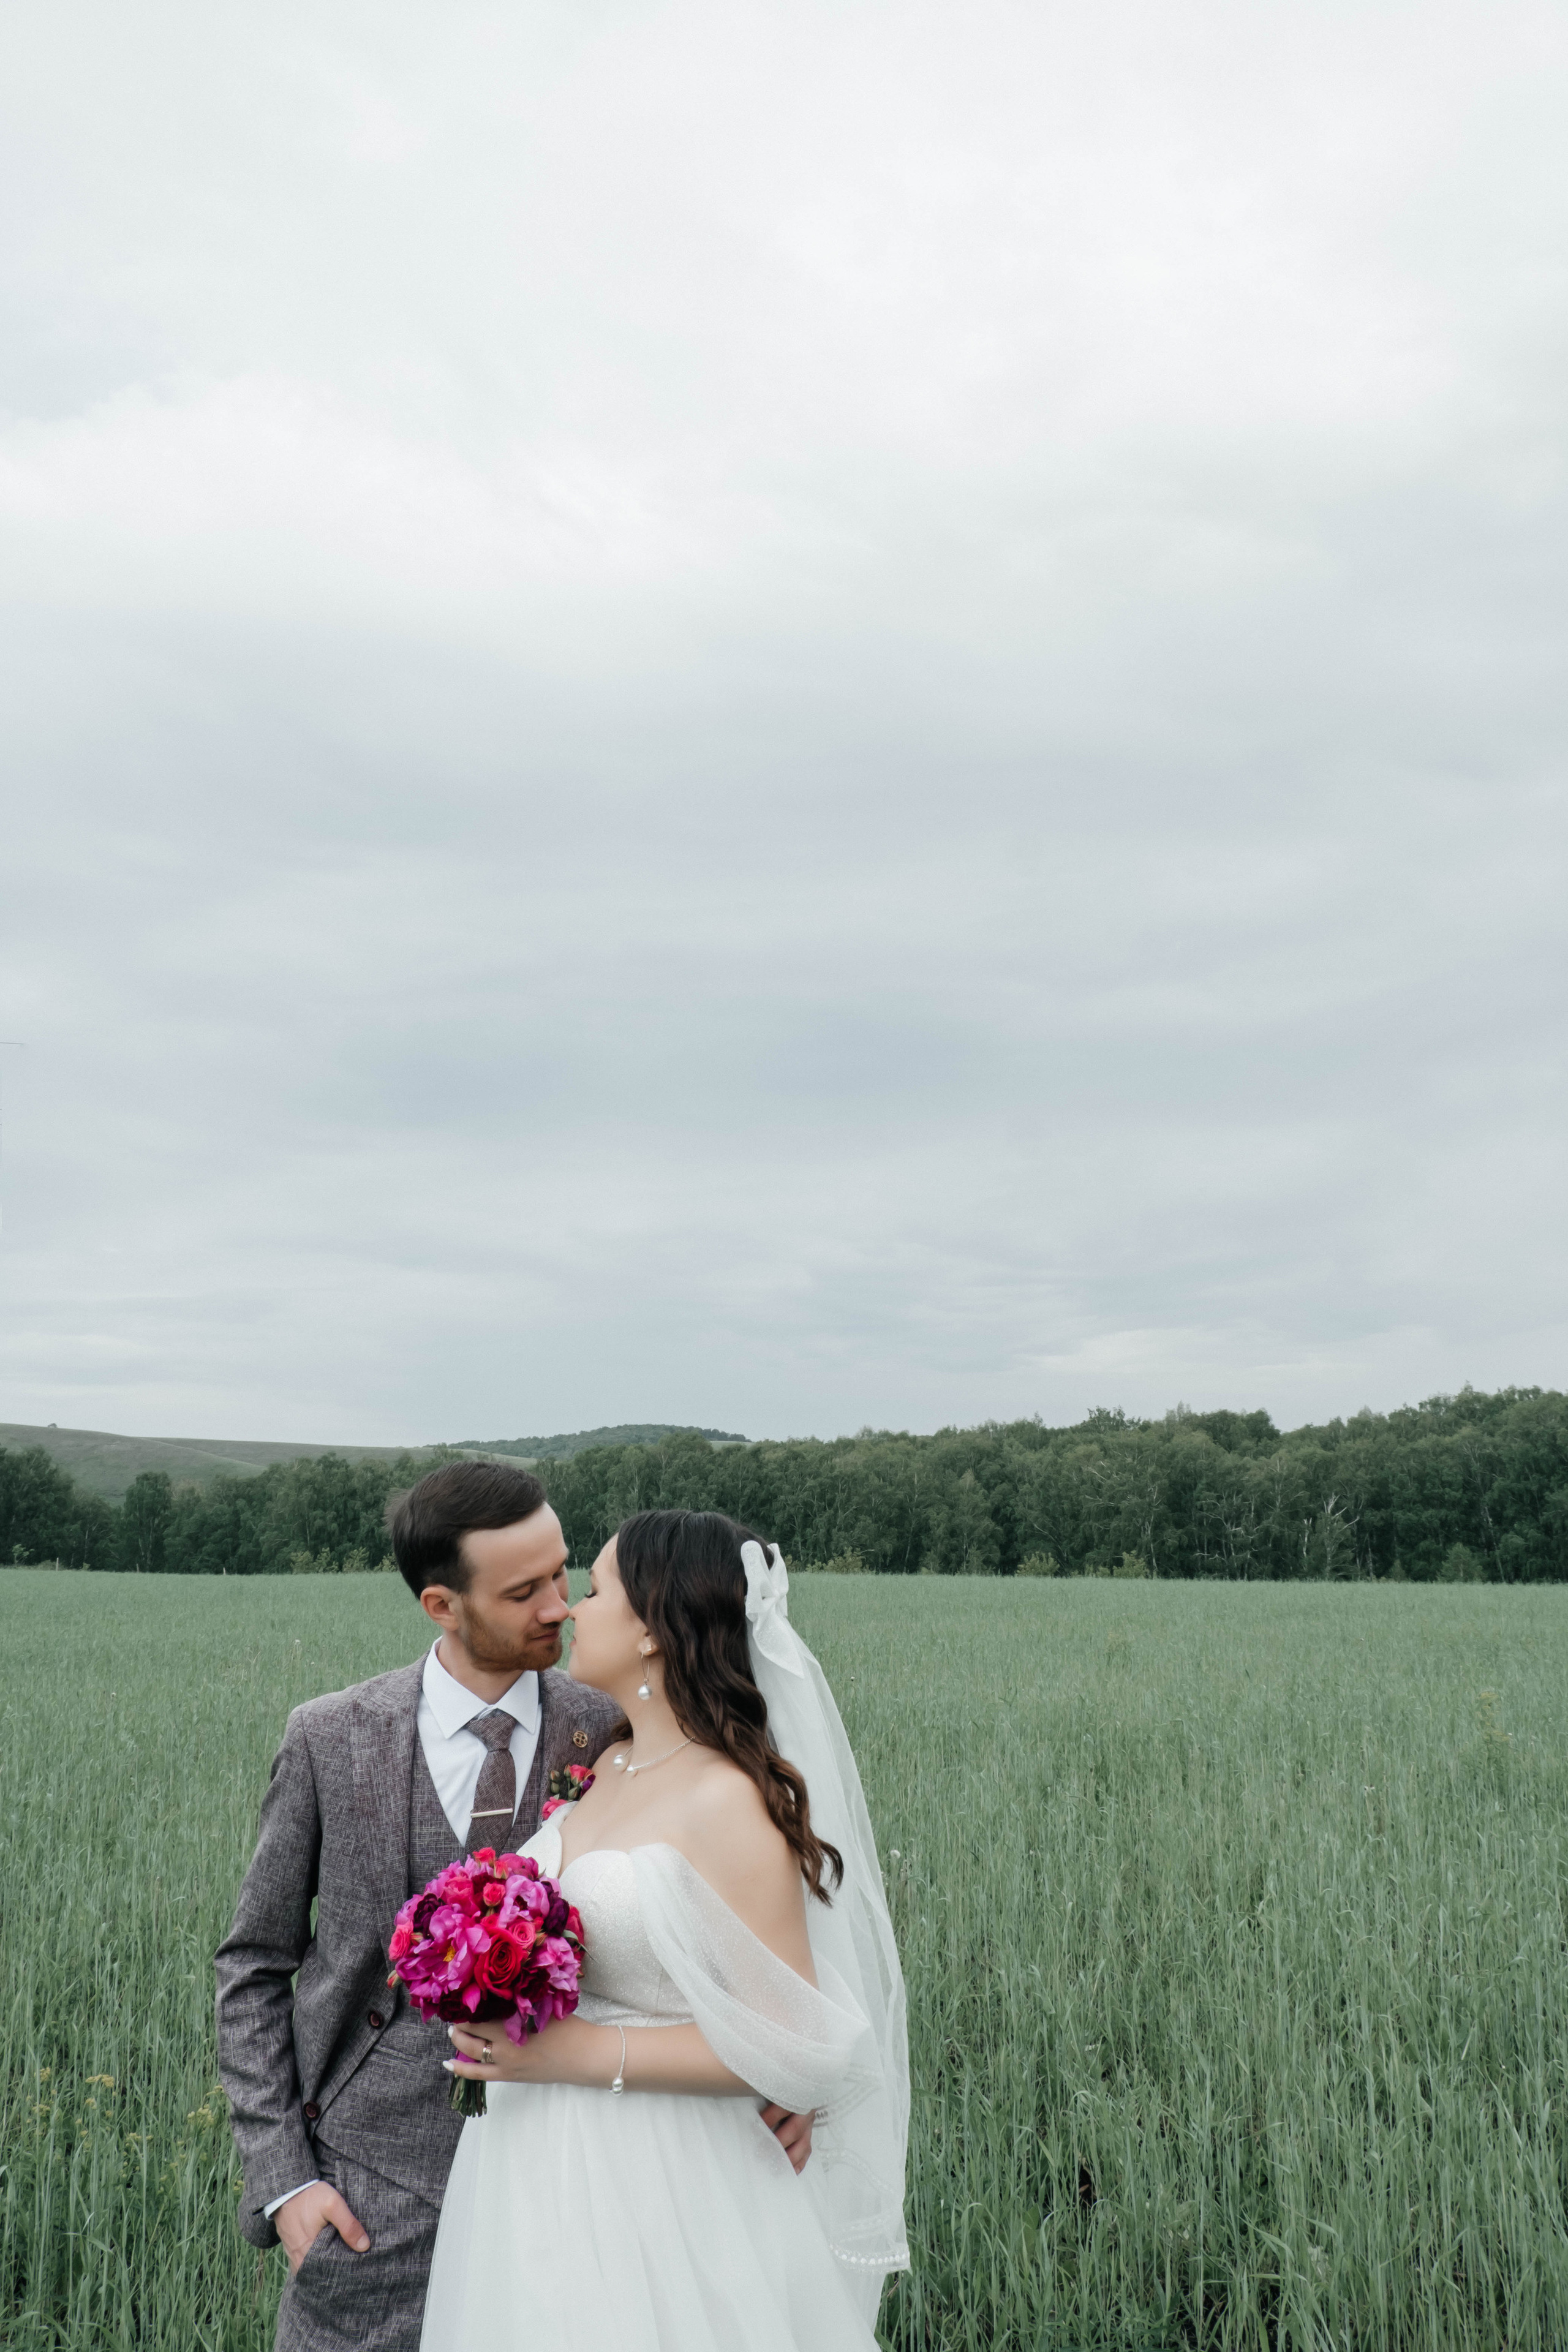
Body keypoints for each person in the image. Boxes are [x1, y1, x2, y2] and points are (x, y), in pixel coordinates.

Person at [215, 1463, 815, 2352]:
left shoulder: (617, 1730)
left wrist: (775, 2084)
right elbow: (254, 1965)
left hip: (584, 2202)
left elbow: (738, 1933)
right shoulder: (328, 1739)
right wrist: (287, 2182)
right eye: (525, 1590)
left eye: (568, 1574)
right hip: (367, 2205)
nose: (562, 1606)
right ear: (441, 1606)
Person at [419, 1508, 910, 2352]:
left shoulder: (727, 1798)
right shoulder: (607, 1764)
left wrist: (576, 2055)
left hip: (657, 2182)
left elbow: (789, 2042)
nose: (574, 1607)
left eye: (598, 1588)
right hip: (528, 2170)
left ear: (651, 1628)